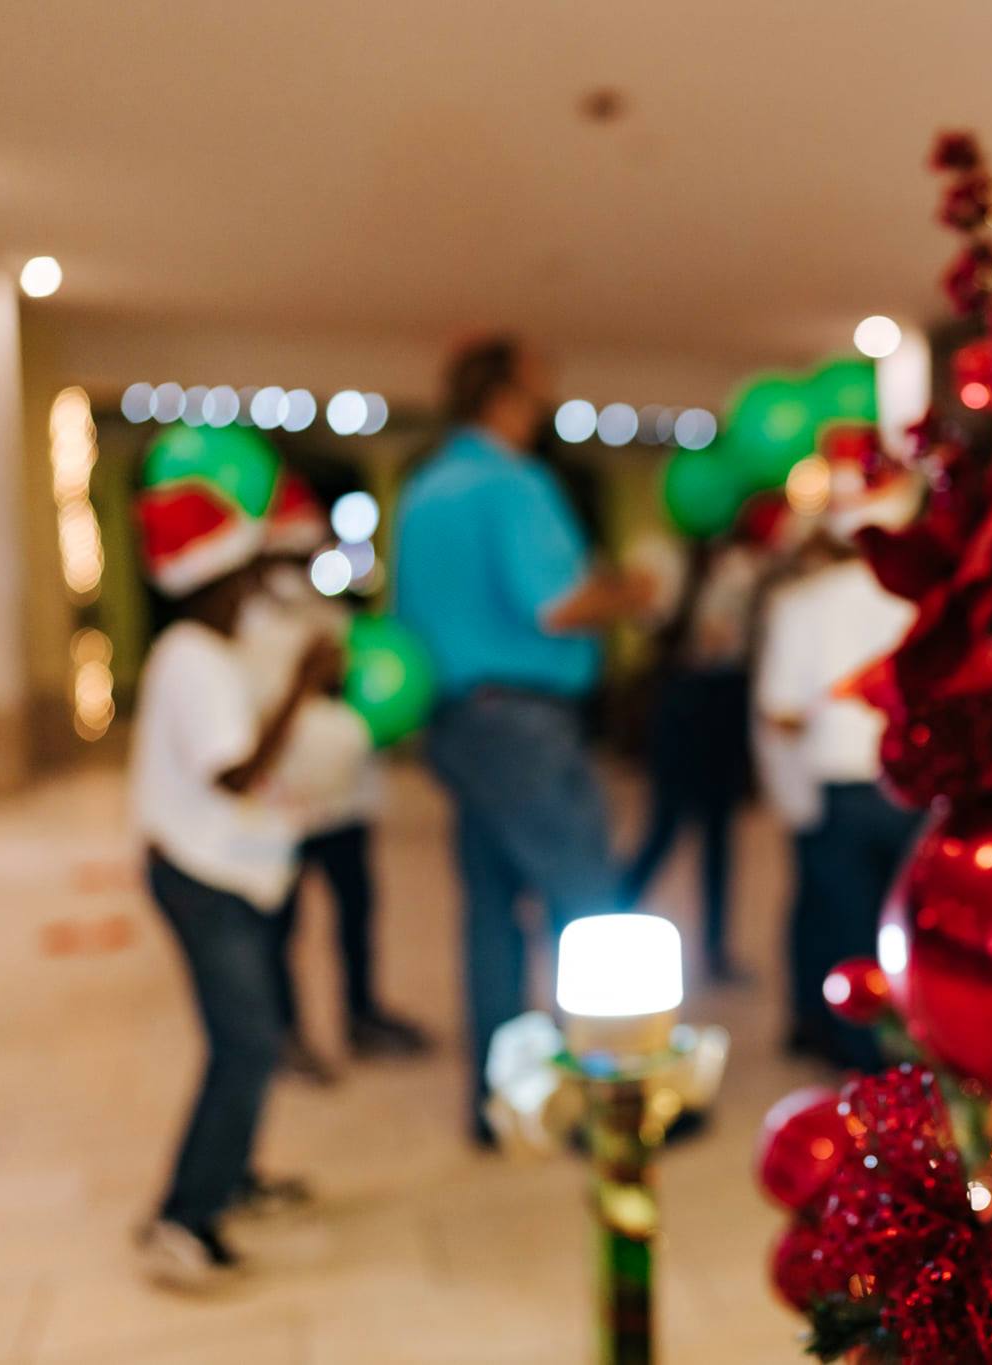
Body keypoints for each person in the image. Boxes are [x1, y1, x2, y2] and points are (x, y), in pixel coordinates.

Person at [394, 335, 645, 1145]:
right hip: (525, 721)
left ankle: (500, 1102)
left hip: (458, 721)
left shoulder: (424, 490)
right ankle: (605, 1103)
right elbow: (557, 603)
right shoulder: (513, 483)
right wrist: (631, 590)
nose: (544, 409)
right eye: (538, 392)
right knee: (587, 906)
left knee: (491, 919)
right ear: (504, 396)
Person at [130, 480, 344, 1289]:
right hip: (202, 874)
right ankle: (183, 1216)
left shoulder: (208, 653)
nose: (259, 588)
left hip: (229, 871)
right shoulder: (192, 659)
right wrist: (302, 686)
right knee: (247, 1042)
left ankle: (231, 1176)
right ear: (216, 579)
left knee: (248, 1036)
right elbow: (234, 770)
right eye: (247, 573)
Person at [239, 474, 431, 1080]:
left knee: (356, 909)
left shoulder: (328, 603)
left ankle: (361, 1015)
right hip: (285, 800)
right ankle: (286, 1034)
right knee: (282, 924)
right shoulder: (247, 619)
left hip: (344, 795)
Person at [754, 460, 920, 1069]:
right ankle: (911, 1055)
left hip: (842, 789)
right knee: (908, 928)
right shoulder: (925, 600)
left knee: (845, 928)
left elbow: (780, 709)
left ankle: (858, 1058)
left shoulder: (805, 603)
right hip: (914, 787)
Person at [616, 528, 764, 980]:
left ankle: (716, 948)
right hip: (683, 699)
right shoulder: (663, 558)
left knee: (719, 834)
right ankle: (608, 916)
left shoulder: (749, 564)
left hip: (727, 701)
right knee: (665, 825)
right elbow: (651, 621)